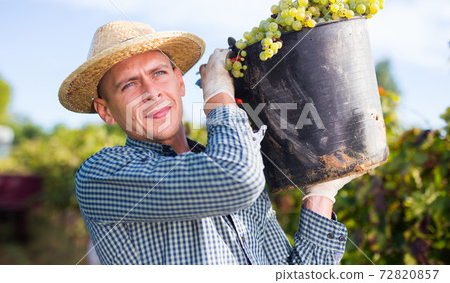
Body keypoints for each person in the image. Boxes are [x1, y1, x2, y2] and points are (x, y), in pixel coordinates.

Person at [59, 20, 358, 265]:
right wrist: (218, 95)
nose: (151, 91)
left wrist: (321, 194)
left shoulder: (227, 157)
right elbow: (235, 179)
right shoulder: (101, 174)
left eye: (159, 73)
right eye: (129, 85)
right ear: (105, 110)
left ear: (179, 81)